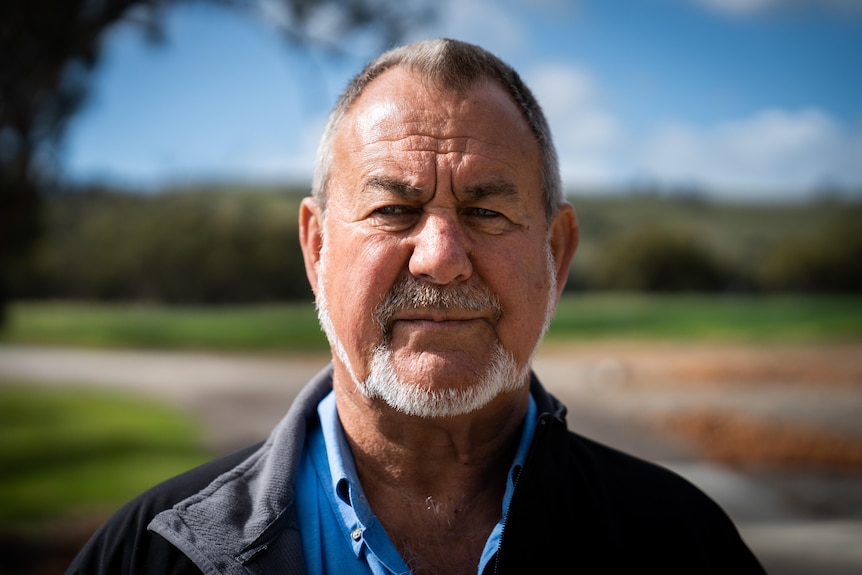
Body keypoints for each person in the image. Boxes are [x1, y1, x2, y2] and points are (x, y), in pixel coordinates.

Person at [66, 38, 765, 574]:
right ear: (317, 250)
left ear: (558, 253)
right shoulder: (151, 554)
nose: (440, 255)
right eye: (395, 208)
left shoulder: (681, 542)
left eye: (487, 211)